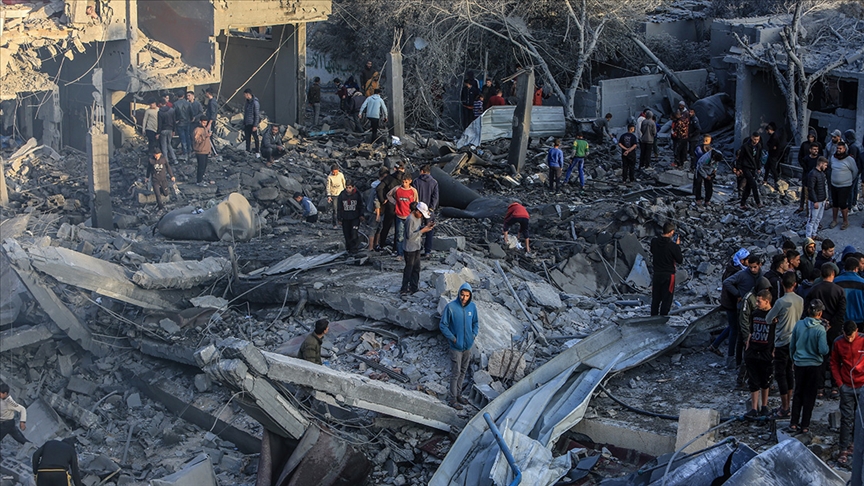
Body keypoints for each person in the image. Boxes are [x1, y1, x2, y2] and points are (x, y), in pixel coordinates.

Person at [805, 262, 848, 397]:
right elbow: (841, 311)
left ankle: (820, 388)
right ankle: (835, 386)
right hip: (834, 328)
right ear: (833, 274)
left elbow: (807, 308)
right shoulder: (839, 290)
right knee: (835, 358)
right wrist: (832, 323)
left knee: (819, 357)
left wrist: (821, 321)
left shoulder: (814, 289)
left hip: (817, 326)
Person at [765, 273, 804, 417]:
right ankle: (788, 403)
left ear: (782, 283)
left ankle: (785, 406)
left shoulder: (780, 302)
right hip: (795, 340)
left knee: (780, 374)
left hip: (782, 340)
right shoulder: (800, 300)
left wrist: (776, 319)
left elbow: (768, 319)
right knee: (789, 372)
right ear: (795, 284)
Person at [789, 299, 830, 434]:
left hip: (800, 364)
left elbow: (792, 345)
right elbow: (823, 350)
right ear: (820, 313)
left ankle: (793, 423)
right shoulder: (820, 329)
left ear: (808, 311)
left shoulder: (799, 324)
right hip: (814, 366)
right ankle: (805, 425)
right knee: (810, 396)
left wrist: (793, 359)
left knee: (798, 393)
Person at [439, 283, 479, 410]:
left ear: (470, 296)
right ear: (459, 293)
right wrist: (453, 338)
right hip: (456, 346)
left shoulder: (472, 307)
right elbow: (443, 325)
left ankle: (459, 394)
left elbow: (475, 323)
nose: (464, 298)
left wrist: (473, 335)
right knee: (456, 372)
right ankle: (453, 399)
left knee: (463, 371)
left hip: (468, 346)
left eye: (467, 295)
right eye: (462, 295)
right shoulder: (451, 307)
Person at [722, 253, 764, 369]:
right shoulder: (742, 274)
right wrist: (737, 294)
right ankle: (738, 362)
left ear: (759, 265)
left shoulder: (762, 275)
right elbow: (727, 282)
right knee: (741, 335)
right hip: (743, 309)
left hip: (756, 308)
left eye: (755, 267)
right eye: (750, 267)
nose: (752, 269)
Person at [831, 320, 864, 464]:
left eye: (851, 336)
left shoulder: (862, 340)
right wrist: (840, 384)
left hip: (862, 385)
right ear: (843, 332)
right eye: (847, 336)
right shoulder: (838, 342)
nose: (849, 339)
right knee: (846, 418)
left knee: (860, 417)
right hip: (846, 386)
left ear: (856, 331)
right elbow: (833, 363)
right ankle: (843, 448)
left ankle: (856, 444)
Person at [709, 248, 751, 357]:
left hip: (727, 302)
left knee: (733, 326)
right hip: (732, 303)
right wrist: (738, 295)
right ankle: (731, 355)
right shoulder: (737, 272)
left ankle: (715, 345)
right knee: (734, 329)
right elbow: (729, 286)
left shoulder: (730, 267)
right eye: (747, 260)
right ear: (742, 261)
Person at [741, 289, 775, 418]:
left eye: (759, 301)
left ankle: (764, 406)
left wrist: (773, 351)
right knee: (753, 381)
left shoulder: (773, 316)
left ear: (767, 301)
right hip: (753, 351)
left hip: (766, 351)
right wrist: (748, 347)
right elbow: (751, 331)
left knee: (765, 380)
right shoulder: (755, 314)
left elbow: (776, 334)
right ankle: (754, 408)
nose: (756, 304)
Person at [400, 202, 435, 295]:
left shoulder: (418, 218)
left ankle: (414, 287)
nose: (421, 216)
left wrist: (426, 227)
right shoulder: (410, 219)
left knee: (416, 268)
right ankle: (404, 289)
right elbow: (409, 236)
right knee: (409, 269)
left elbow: (418, 229)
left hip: (416, 246)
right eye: (421, 214)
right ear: (417, 211)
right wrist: (423, 231)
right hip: (409, 248)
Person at [650, 222, 683, 316]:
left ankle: (653, 317)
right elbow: (680, 260)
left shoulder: (654, 242)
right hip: (668, 275)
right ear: (671, 232)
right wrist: (677, 246)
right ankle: (662, 318)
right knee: (667, 298)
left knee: (656, 298)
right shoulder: (672, 246)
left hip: (657, 273)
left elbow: (652, 251)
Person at [387, 173, 419, 258]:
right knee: (399, 236)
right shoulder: (397, 189)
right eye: (403, 182)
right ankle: (400, 254)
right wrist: (395, 202)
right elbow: (389, 195)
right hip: (399, 215)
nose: (404, 184)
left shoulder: (413, 191)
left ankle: (409, 252)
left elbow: (416, 202)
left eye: (406, 182)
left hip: (410, 216)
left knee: (410, 235)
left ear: (410, 181)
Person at [829, 142, 858, 230]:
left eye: (840, 148)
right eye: (837, 148)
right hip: (834, 184)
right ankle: (834, 220)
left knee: (842, 203)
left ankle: (845, 222)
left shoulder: (849, 159)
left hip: (845, 185)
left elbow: (855, 171)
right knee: (835, 203)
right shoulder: (833, 158)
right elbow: (831, 167)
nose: (838, 150)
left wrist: (848, 180)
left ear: (844, 149)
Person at [412, 165, 439, 257]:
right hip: (429, 211)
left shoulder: (416, 181)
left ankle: (416, 249)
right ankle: (427, 251)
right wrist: (431, 208)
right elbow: (435, 197)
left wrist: (415, 208)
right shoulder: (434, 182)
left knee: (417, 229)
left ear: (421, 171)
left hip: (418, 210)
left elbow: (414, 196)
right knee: (429, 230)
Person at [376, 164, 403, 252]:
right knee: (399, 228)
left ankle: (381, 244)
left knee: (386, 226)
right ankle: (396, 247)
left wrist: (382, 200)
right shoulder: (405, 179)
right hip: (401, 205)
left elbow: (379, 188)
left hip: (390, 205)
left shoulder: (389, 178)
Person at [835, 256, 864, 330]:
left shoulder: (836, 282)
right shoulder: (862, 282)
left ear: (845, 268)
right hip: (859, 320)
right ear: (856, 269)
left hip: (841, 320)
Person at [735, 132, 763, 209]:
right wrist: (738, 168)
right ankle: (758, 202)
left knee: (748, 186)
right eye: (754, 139)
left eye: (757, 139)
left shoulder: (759, 146)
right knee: (754, 185)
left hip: (753, 167)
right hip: (746, 167)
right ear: (751, 138)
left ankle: (742, 204)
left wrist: (758, 168)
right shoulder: (745, 146)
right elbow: (740, 158)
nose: (756, 141)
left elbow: (758, 158)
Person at [805, 157, 830, 239]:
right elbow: (811, 188)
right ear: (821, 164)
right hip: (815, 201)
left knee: (818, 219)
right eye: (825, 165)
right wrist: (815, 201)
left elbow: (824, 187)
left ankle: (814, 234)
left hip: (822, 200)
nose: (826, 167)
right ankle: (808, 237)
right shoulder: (812, 174)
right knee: (812, 219)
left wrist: (825, 199)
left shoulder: (821, 174)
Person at [337, 181, 363, 253]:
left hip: (355, 217)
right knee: (347, 233)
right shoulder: (342, 195)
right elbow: (339, 207)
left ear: (353, 187)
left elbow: (360, 205)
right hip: (345, 217)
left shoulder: (357, 194)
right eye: (347, 187)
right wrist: (339, 218)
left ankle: (354, 248)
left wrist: (361, 215)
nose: (348, 189)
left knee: (354, 232)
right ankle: (348, 248)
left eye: (350, 188)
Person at [797, 142, 822, 215]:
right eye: (814, 149)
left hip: (818, 182)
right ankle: (809, 214)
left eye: (817, 149)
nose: (816, 151)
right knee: (808, 198)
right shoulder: (806, 159)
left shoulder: (819, 159)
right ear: (810, 150)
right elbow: (805, 169)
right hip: (808, 181)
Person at [368, 167, 389, 251]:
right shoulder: (379, 186)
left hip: (379, 210)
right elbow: (376, 201)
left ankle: (376, 245)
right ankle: (371, 246)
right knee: (373, 228)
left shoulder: (375, 185)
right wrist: (377, 214)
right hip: (376, 210)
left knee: (378, 228)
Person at [156, 99, 178, 165]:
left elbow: (159, 124)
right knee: (169, 144)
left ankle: (166, 161)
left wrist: (158, 133)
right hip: (170, 129)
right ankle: (175, 159)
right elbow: (174, 121)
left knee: (164, 146)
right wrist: (174, 130)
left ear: (160, 104)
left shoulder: (160, 112)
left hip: (163, 130)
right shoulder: (171, 110)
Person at [191, 117, 211, 186]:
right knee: (201, 167)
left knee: (204, 166)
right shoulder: (197, 130)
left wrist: (209, 150)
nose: (205, 124)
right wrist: (205, 136)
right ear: (200, 122)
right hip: (200, 151)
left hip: (205, 151)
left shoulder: (205, 129)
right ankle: (199, 181)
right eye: (203, 123)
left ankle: (202, 179)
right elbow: (196, 140)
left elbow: (207, 141)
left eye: (206, 123)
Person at [173, 91, 192, 158]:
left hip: (180, 123)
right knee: (188, 137)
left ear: (177, 96)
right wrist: (191, 118)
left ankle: (185, 152)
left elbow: (173, 114)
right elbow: (191, 112)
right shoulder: (188, 103)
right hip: (187, 122)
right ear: (183, 96)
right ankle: (189, 151)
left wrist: (175, 120)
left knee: (182, 138)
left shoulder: (175, 104)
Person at [243, 89, 261, 155]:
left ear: (248, 94)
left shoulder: (255, 103)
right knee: (247, 138)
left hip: (252, 123)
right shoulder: (247, 102)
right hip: (247, 123)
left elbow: (257, 115)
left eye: (245, 94)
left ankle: (257, 151)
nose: (244, 96)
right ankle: (247, 150)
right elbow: (246, 113)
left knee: (255, 137)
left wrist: (255, 125)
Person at [764, 122, 781, 186]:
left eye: (767, 131)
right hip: (772, 154)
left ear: (769, 130)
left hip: (773, 155)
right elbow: (769, 144)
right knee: (767, 167)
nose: (766, 133)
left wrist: (771, 146)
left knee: (772, 168)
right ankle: (765, 180)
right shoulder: (773, 136)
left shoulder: (774, 137)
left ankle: (776, 181)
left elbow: (770, 145)